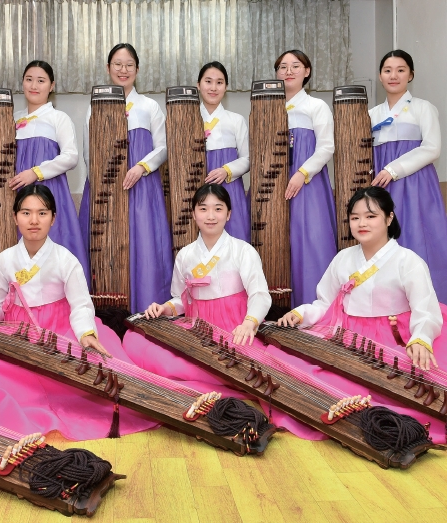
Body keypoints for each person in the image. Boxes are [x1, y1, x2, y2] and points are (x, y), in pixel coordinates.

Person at [122, 184, 321, 438]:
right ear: (194, 214)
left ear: (228, 214)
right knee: (134, 339)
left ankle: (207, 379)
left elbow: (260, 295)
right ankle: (208, 376)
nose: (210, 215)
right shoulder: (185, 255)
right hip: (196, 331)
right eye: (203, 209)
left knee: (255, 366)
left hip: (234, 331)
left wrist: (249, 323)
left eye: (218, 209)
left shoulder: (242, 251)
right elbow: (182, 299)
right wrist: (164, 309)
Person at [0, 185, 157, 439]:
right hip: (17, 334)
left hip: (62, 328)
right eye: (26, 213)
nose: (33, 220)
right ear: (14, 217)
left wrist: (86, 333)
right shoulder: (3, 260)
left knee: (103, 362)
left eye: (42, 213)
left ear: (53, 218)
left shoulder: (65, 259)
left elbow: (80, 304)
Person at [277, 186, 447, 442]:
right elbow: (324, 303)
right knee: (299, 372)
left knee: (406, 391)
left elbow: (426, 311)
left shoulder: (407, 261)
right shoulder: (343, 259)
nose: (361, 223)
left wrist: (421, 337)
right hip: (349, 340)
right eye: (355, 217)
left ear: (389, 218)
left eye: (370, 216)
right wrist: (301, 315)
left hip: (394, 340)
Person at [79, 43, 173, 313]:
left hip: (142, 187)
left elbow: (163, 147)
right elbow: (88, 150)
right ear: (108, 68)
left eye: (129, 64)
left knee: (143, 245)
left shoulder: (149, 106)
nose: (123, 69)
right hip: (106, 189)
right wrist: (101, 181)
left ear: (137, 69)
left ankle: (147, 306)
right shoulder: (95, 104)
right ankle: (109, 311)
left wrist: (142, 167)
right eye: (117, 64)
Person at [369, 49, 447, 302]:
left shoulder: (424, 108)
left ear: (411, 75)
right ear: (380, 76)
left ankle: (431, 307)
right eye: (388, 70)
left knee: (418, 238)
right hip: (381, 186)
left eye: (401, 70)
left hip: (415, 185)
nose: (394, 75)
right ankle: (388, 305)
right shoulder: (370, 114)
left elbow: (432, 148)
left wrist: (393, 170)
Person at [9, 60, 88, 274]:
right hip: (15, 195)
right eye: (29, 79)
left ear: (51, 86)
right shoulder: (12, 119)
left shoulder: (58, 118)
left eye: (41, 81)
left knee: (53, 257)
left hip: (50, 192)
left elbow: (71, 156)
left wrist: (35, 173)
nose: (34, 85)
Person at [274, 50, 337, 307]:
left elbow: (326, 147)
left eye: (295, 66)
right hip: (276, 184)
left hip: (307, 185)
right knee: (278, 241)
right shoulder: (270, 106)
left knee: (310, 240)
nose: (289, 71)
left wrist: (302, 173)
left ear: (307, 71)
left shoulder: (316, 106)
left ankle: (315, 308)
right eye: (283, 66)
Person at [197, 61, 250, 241]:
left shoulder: (236, 120)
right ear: (198, 85)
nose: (213, 87)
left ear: (226, 87)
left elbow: (248, 158)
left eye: (219, 82)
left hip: (230, 186)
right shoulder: (187, 119)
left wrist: (226, 170)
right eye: (208, 81)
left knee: (234, 237)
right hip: (197, 183)